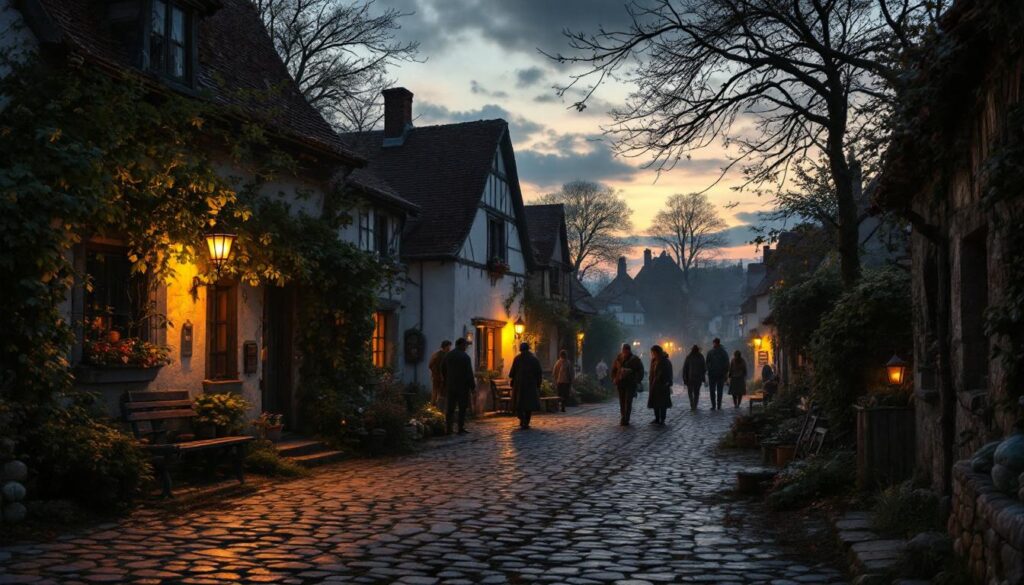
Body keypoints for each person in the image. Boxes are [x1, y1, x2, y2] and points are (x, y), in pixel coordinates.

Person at [442, 338, 476, 435]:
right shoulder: (465, 357)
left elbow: (443, 368)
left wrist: (447, 380)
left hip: (451, 385)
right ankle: (460, 428)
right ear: (461, 345)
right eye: (465, 345)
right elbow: (469, 373)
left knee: (450, 408)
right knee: (462, 408)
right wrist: (472, 387)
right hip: (463, 386)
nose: (466, 347)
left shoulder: (448, 355)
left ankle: (448, 428)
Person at [509, 342, 543, 429]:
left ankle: (523, 419)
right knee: (528, 404)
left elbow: (512, 373)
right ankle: (525, 421)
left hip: (520, 385)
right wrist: (538, 383)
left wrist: (514, 380)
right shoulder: (534, 359)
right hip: (529, 385)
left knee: (519, 404)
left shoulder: (517, 359)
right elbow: (539, 373)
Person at [611, 344, 644, 425]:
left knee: (628, 401)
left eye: (625, 350)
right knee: (622, 401)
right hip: (621, 383)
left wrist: (636, 378)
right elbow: (614, 370)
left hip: (630, 383)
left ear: (629, 350)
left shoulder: (635, 359)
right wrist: (614, 378)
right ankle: (623, 417)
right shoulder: (619, 358)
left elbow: (640, 371)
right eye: (623, 350)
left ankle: (626, 418)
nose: (624, 352)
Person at [647, 345, 673, 425]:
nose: (652, 354)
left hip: (663, 385)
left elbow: (669, 373)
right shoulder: (654, 361)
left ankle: (662, 419)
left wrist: (667, 383)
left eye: (654, 352)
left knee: (662, 403)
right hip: (654, 385)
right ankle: (657, 418)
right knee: (655, 403)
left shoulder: (665, 361)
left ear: (658, 352)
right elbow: (652, 373)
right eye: (652, 352)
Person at [681, 345, 707, 411]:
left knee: (690, 392)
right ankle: (695, 405)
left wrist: (685, 378)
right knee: (696, 393)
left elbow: (685, 368)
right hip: (698, 378)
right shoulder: (701, 357)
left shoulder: (689, 357)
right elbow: (704, 368)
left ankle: (692, 404)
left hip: (690, 378)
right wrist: (703, 377)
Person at [706, 338, 729, 410]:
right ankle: (718, 405)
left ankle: (714, 405)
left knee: (713, 391)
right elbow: (727, 363)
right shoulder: (723, 352)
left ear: (714, 343)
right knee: (719, 391)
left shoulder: (710, 352)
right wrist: (725, 372)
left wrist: (709, 369)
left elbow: (707, 363)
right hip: (719, 374)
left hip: (713, 374)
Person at [427, 340, 452, 408]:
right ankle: (434, 405)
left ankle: (438, 406)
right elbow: (430, 365)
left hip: (443, 377)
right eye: (449, 346)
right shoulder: (438, 354)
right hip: (438, 376)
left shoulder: (447, 354)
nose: (450, 348)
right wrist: (436, 373)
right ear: (445, 346)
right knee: (437, 391)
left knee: (441, 392)